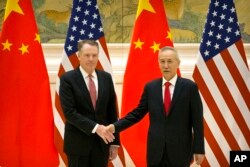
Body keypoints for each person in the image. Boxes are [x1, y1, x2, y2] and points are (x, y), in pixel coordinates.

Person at [108, 46, 205, 167]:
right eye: (162, 61)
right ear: (158, 63)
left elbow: (197, 121)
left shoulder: (190, 87)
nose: (166, 65)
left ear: (178, 63)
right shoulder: (151, 87)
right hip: (155, 150)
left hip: (180, 150)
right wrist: (114, 127)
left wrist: (199, 149)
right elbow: (137, 114)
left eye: (170, 61)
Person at [59, 40, 120, 167]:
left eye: (94, 55)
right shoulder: (67, 79)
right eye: (87, 55)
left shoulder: (106, 78)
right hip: (78, 145)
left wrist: (114, 142)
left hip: (102, 145)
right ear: (79, 56)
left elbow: (112, 112)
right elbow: (70, 113)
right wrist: (96, 128)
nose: (91, 59)